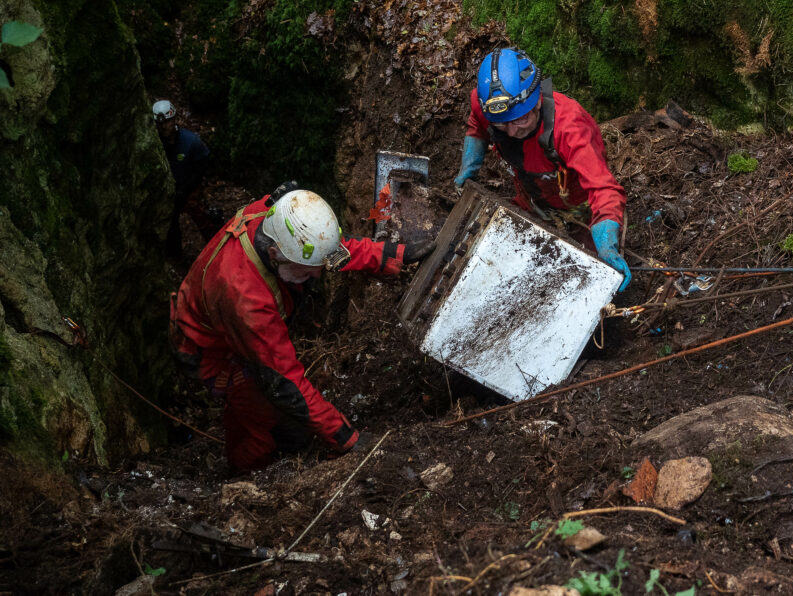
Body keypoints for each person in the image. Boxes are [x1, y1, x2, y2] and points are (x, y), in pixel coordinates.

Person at [170, 184, 433, 472]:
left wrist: (390, 255)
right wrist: (346, 437)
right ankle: (241, 479)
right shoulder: (247, 300)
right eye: (307, 270)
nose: (318, 274)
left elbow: (327, 252)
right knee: (271, 429)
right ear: (274, 254)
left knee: (280, 416)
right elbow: (284, 383)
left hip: (221, 316)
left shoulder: (273, 217)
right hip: (210, 351)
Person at [453, 47, 631, 291]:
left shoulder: (570, 128)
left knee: (579, 283)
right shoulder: (491, 107)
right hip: (531, 205)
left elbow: (605, 190)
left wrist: (607, 247)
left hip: (581, 213)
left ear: (536, 99)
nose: (513, 132)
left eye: (521, 120)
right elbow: (477, 125)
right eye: (502, 124)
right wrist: (468, 169)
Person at [153, 99, 212, 257]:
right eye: (161, 123)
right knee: (171, 222)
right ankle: (176, 254)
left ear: (174, 120)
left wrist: (188, 188)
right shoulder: (155, 145)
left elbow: (203, 164)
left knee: (202, 217)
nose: (164, 126)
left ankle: (217, 246)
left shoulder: (190, 141)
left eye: (167, 122)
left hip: (190, 187)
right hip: (170, 191)